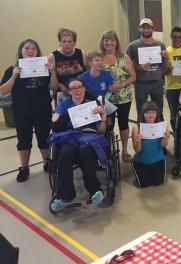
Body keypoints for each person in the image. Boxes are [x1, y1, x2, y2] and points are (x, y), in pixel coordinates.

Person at [1, 39, 58, 182]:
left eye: (34, 49)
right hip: (22, 112)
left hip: (42, 110)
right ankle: (24, 168)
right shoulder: (12, 69)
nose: (31, 51)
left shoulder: (44, 68)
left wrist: (52, 72)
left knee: (44, 139)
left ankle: (47, 163)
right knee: (23, 141)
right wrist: (14, 75)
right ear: (21, 50)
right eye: (27, 48)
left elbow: (54, 88)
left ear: (38, 52)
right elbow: (3, 91)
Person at [48, 78, 107, 213]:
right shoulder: (64, 105)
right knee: (65, 154)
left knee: (86, 154)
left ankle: (95, 190)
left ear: (84, 89)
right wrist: (66, 115)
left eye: (79, 87)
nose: (77, 90)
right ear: (69, 92)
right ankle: (67, 196)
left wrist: (103, 115)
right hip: (70, 137)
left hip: (89, 136)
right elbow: (54, 126)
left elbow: (102, 130)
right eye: (73, 88)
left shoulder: (93, 104)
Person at [100, 30, 136, 163]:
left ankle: (125, 150)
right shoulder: (99, 58)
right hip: (105, 99)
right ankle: (107, 150)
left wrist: (119, 85)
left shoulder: (124, 57)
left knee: (123, 123)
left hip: (123, 97)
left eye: (112, 40)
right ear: (103, 42)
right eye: (106, 40)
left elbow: (133, 77)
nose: (109, 43)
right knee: (107, 125)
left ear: (116, 42)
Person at [126, 18, 168, 122]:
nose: (146, 30)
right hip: (141, 83)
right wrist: (138, 68)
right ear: (139, 29)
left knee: (158, 110)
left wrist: (166, 57)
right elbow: (126, 66)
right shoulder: (133, 46)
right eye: (143, 27)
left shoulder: (160, 44)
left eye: (148, 27)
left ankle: (159, 135)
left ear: (152, 29)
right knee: (141, 111)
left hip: (157, 82)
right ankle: (142, 136)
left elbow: (164, 66)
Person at [131, 101, 171, 187]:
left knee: (158, 182)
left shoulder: (161, 127)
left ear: (157, 114)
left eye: (153, 112)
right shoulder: (136, 128)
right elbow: (137, 150)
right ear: (143, 114)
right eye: (147, 112)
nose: (150, 115)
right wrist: (138, 141)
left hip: (158, 160)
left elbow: (163, 146)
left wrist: (165, 138)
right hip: (141, 161)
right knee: (144, 184)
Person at [48, 28, 87, 98]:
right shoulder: (52, 56)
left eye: (70, 41)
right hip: (63, 94)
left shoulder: (82, 54)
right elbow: (51, 83)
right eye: (64, 41)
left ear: (74, 42)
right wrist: (60, 85)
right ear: (59, 42)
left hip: (81, 94)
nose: (67, 44)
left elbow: (87, 74)